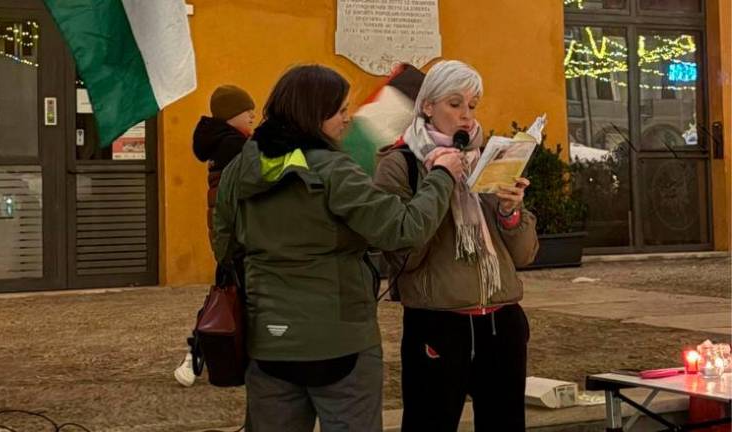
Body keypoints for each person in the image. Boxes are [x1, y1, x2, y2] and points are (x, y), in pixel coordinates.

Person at [210, 64, 464, 432]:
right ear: (313, 113)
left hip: (269, 341)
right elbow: (404, 230)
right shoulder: (334, 171)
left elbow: (224, 247)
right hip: (340, 343)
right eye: (340, 110)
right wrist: (441, 176)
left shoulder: (240, 169)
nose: (347, 119)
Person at [373, 60, 539, 432]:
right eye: (454, 104)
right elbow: (403, 254)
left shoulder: (489, 157)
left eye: (473, 105)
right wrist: (441, 181)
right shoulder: (400, 164)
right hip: (439, 321)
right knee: (430, 422)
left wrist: (511, 212)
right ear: (427, 106)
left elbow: (524, 255)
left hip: (502, 319)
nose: (466, 116)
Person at [174, 84, 256, 387]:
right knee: (233, 298)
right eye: (248, 110)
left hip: (227, 235)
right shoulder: (235, 147)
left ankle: (199, 352)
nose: (253, 115)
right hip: (236, 236)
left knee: (227, 294)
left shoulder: (223, 143)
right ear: (232, 114)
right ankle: (198, 351)